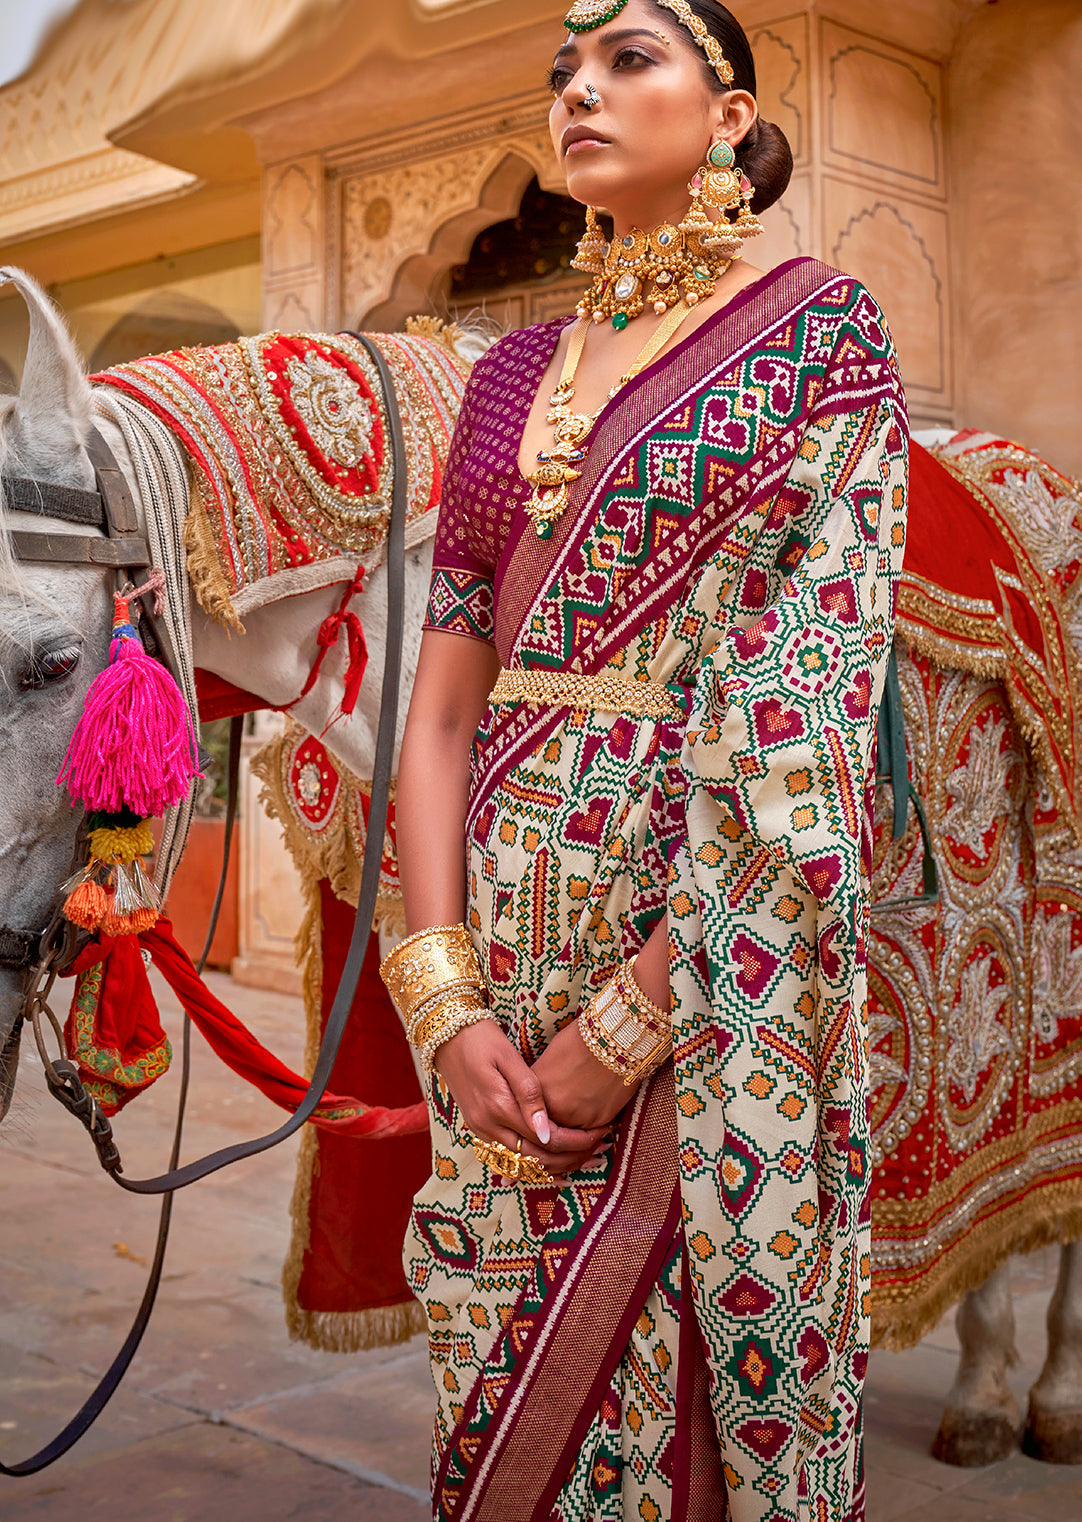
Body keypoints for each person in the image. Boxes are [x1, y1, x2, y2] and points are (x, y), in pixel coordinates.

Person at [387, 2, 908, 1518]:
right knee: (504, 1376)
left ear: (728, 117)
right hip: (499, 948)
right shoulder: (504, 384)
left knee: (689, 1380)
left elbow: (809, 717)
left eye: (628, 59)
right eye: (563, 68)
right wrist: (440, 994)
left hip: (710, 958)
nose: (579, 90)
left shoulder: (821, 335)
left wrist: (631, 1024)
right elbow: (437, 712)